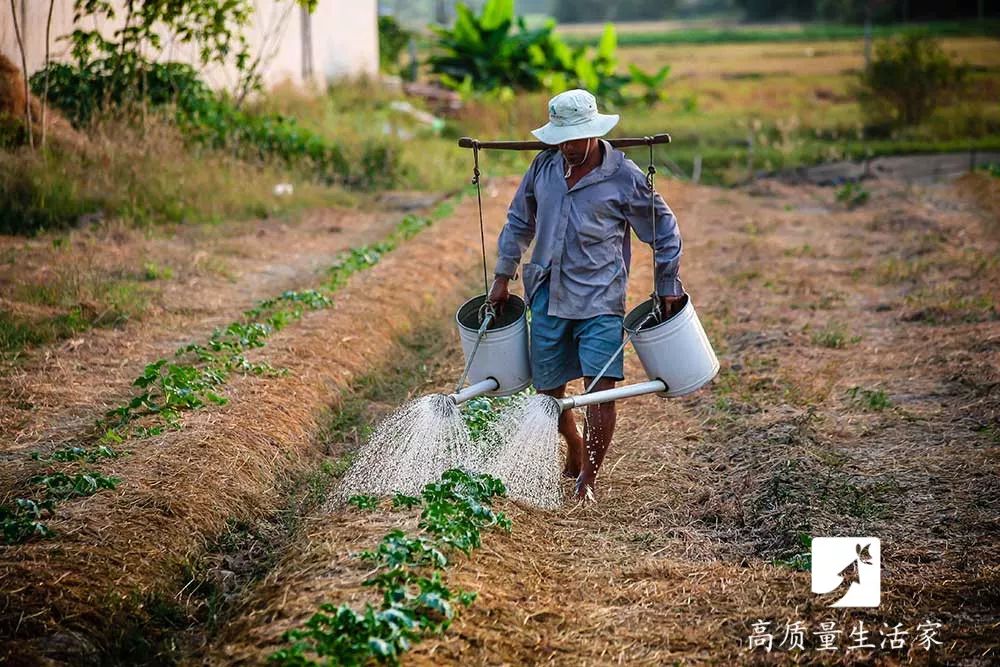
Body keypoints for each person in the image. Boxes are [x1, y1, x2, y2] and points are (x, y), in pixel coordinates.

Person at [487, 89, 685, 501]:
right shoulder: (543, 167)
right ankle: (574, 446)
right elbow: (518, 221)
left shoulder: (624, 176)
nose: (569, 148)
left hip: (600, 298)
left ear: (594, 133)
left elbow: (664, 231)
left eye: (576, 139)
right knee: (548, 394)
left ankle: (587, 481)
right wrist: (502, 276)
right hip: (546, 293)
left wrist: (667, 284)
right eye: (561, 139)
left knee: (601, 389)